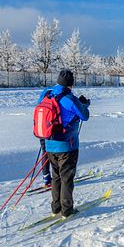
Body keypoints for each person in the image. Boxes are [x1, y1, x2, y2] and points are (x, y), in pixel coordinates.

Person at [38, 69, 90, 217]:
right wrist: (84, 104)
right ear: (71, 84)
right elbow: (84, 116)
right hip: (67, 145)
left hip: (49, 143)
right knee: (66, 178)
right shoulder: (70, 99)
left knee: (56, 176)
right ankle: (67, 210)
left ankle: (56, 208)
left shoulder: (47, 94)